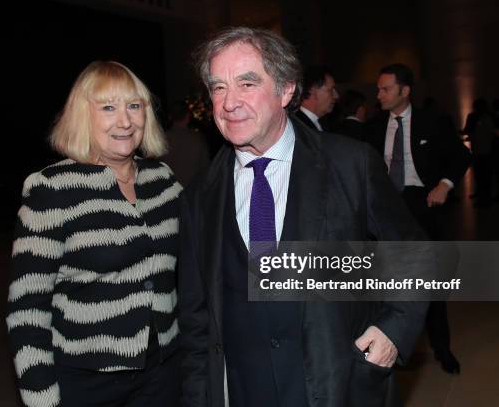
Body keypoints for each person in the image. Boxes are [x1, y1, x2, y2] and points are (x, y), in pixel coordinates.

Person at [179, 27, 428, 407]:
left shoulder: (350, 165)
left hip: (336, 383)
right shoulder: (199, 197)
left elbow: (415, 253)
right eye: (218, 87)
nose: (229, 103)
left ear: (286, 90)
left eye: (247, 83)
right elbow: (197, 325)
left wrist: (394, 330)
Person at [6, 61, 182, 407]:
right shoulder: (51, 190)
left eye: (134, 106)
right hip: (86, 384)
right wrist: (41, 398)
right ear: (82, 116)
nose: (125, 121)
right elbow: (26, 310)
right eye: (108, 108)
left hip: (163, 374)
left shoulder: (163, 181)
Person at [365, 63, 471, 374]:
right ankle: (389, 349)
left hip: (423, 208)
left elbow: (461, 156)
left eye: (385, 89)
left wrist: (444, 184)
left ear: (405, 91)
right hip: (386, 213)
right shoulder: (372, 127)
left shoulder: (432, 121)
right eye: (378, 89)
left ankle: (442, 348)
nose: (379, 94)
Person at [162, 100, 211, 186]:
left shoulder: (161, 139)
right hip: (192, 192)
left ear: (170, 116)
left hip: (168, 192)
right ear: (188, 116)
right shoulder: (197, 139)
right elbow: (206, 169)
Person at [293, 65, 339, 131]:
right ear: (312, 89)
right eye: (331, 90)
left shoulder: (323, 123)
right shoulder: (297, 126)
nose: (336, 96)